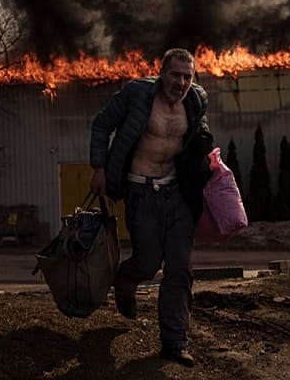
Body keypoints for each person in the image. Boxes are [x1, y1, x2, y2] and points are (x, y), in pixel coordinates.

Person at [88, 47, 214, 367]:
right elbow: (102, 124)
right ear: (161, 73)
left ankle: (174, 342)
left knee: (179, 268)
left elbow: (197, 139)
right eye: (175, 74)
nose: (181, 82)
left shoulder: (196, 100)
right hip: (140, 191)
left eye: (187, 76)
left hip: (177, 194)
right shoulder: (137, 94)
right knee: (147, 262)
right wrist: (99, 168)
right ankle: (127, 279)